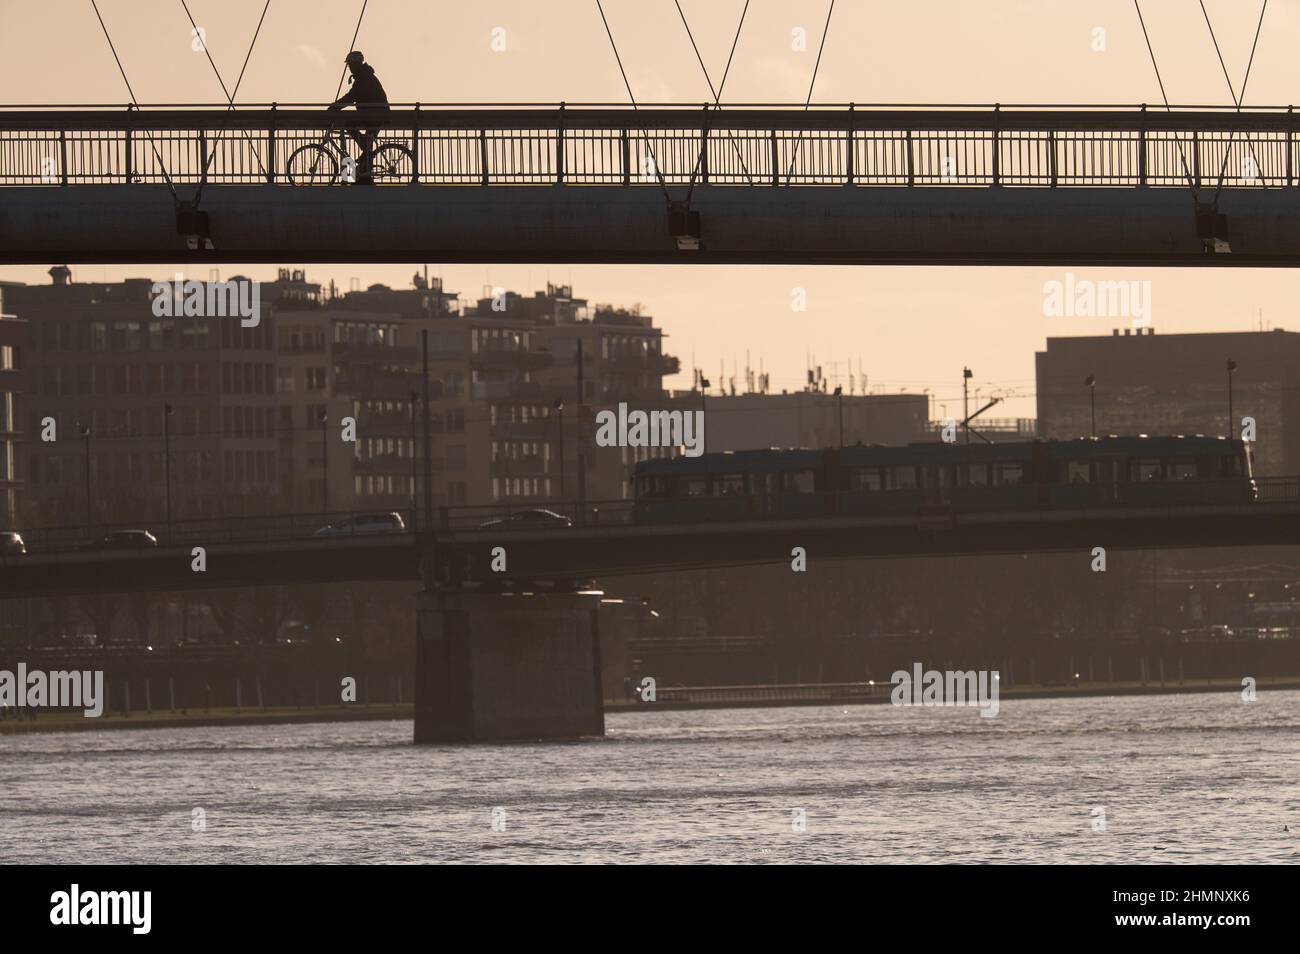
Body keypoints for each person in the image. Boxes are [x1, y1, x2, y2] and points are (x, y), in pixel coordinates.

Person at [327, 51, 390, 184]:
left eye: (350, 64)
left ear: (355, 64)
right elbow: (353, 96)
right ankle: (363, 176)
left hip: (374, 116)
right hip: (376, 115)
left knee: (350, 125)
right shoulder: (365, 75)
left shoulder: (363, 77)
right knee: (366, 148)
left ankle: (360, 174)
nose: (349, 67)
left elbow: (352, 96)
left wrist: (334, 107)